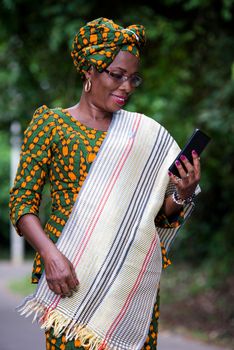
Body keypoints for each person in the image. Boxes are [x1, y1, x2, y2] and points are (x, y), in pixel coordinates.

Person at [9, 17, 201, 350]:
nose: (126, 87)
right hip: (69, 277)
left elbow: (156, 219)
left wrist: (181, 194)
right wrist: (50, 254)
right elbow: (22, 202)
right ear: (88, 71)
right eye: (116, 75)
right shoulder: (51, 124)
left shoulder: (143, 136)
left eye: (133, 78)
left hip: (128, 282)